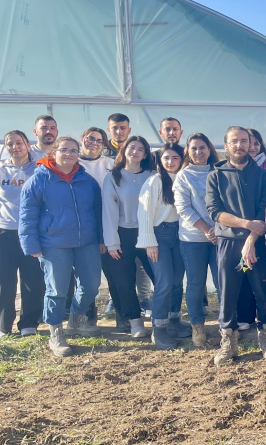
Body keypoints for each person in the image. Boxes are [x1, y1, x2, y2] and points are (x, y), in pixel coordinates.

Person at [18, 136, 103, 357]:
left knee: (91, 285)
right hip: (53, 243)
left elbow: (98, 211)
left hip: (86, 242)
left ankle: (76, 319)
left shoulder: (87, 179)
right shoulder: (38, 180)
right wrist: (30, 244)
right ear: (53, 152)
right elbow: (27, 216)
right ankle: (56, 332)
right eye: (64, 150)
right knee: (57, 290)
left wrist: (102, 238)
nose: (69, 154)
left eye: (74, 151)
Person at [206, 126, 266, 365]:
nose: (240, 145)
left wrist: (250, 241)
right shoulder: (216, 176)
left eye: (244, 141)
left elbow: (265, 212)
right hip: (228, 243)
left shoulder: (263, 176)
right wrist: (247, 224)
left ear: (251, 145)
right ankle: (228, 341)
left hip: (257, 244)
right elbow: (215, 212)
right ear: (226, 146)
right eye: (234, 141)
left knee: (264, 290)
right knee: (228, 293)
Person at [136, 144, 192, 349]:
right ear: (160, 160)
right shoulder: (154, 181)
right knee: (164, 281)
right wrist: (149, 242)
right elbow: (144, 213)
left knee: (178, 280)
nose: (170, 162)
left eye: (174, 158)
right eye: (166, 158)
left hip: (180, 233)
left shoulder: (184, 179)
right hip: (160, 235)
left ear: (181, 159)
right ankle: (159, 327)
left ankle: (174, 320)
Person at [101, 136, 156, 337]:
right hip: (123, 234)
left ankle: (163, 317)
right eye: (131, 147)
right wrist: (112, 242)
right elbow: (109, 211)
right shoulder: (114, 177)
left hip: (149, 233)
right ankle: (135, 322)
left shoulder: (153, 176)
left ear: (145, 154)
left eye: (140, 149)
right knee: (124, 281)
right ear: (124, 150)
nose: (135, 152)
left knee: (161, 277)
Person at [174, 133, 220, 348]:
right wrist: (206, 229)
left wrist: (217, 230)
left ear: (209, 150)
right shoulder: (184, 176)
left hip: (221, 236)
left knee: (223, 281)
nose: (198, 152)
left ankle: (227, 324)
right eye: (194, 148)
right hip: (193, 238)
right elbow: (183, 208)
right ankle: (197, 326)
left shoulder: (219, 171)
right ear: (188, 152)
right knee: (195, 282)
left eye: (202, 147)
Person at [0, 131, 45, 338]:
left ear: (28, 144)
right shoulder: (2, 169)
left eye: (19, 143)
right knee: (5, 280)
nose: (15, 147)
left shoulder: (39, 169)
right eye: (10, 144)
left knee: (32, 280)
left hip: (31, 233)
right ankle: (3, 324)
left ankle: (28, 323)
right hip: (5, 232)